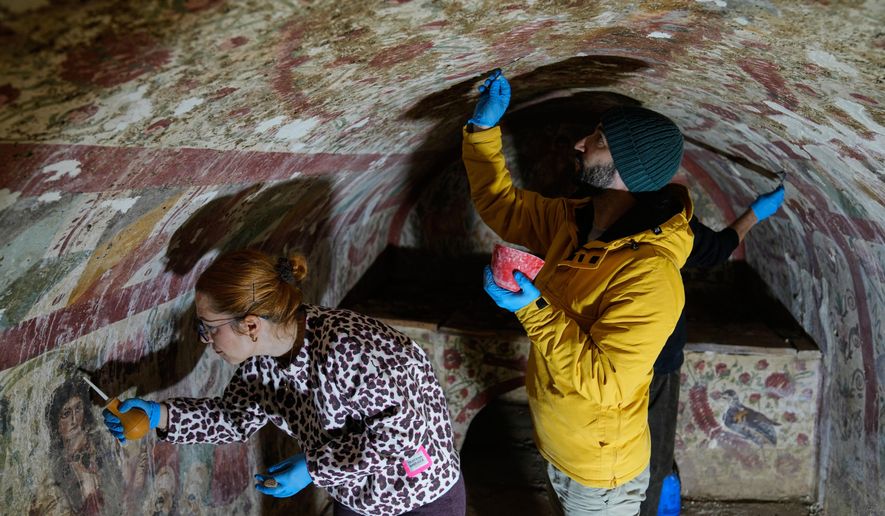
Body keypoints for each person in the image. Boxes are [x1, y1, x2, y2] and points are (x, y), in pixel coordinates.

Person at [464, 69, 692, 515]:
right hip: (558, 444)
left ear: (630, 169)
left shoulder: (651, 272)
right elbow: (502, 205)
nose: (579, 145)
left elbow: (606, 382)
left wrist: (532, 307)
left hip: (598, 471)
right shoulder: (577, 220)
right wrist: (482, 131)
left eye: (599, 141)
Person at [102, 249, 464, 516]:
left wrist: (312, 468)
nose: (204, 340)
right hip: (356, 498)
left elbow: (401, 437)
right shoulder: (260, 364)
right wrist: (156, 415)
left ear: (251, 325)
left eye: (209, 329)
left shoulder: (349, 349)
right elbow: (233, 417)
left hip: (419, 491)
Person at [640, 184, 786, 516]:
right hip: (657, 355)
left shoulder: (586, 202)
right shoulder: (665, 213)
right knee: (652, 454)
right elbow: (716, 249)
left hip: (606, 353)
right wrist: (755, 215)